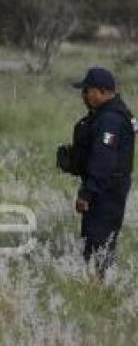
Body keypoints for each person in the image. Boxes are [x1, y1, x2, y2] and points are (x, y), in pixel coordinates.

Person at [58, 67, 136, 274]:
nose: (83, 95)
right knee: (95, 242)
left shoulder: (110, 119)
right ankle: (97, 283)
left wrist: (87, 193)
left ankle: (99, 286)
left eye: (87, 90)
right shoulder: (106, 114)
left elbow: (103, 160)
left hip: (106, 190)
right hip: (106, 186)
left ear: (102, 92)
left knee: (97, 242)